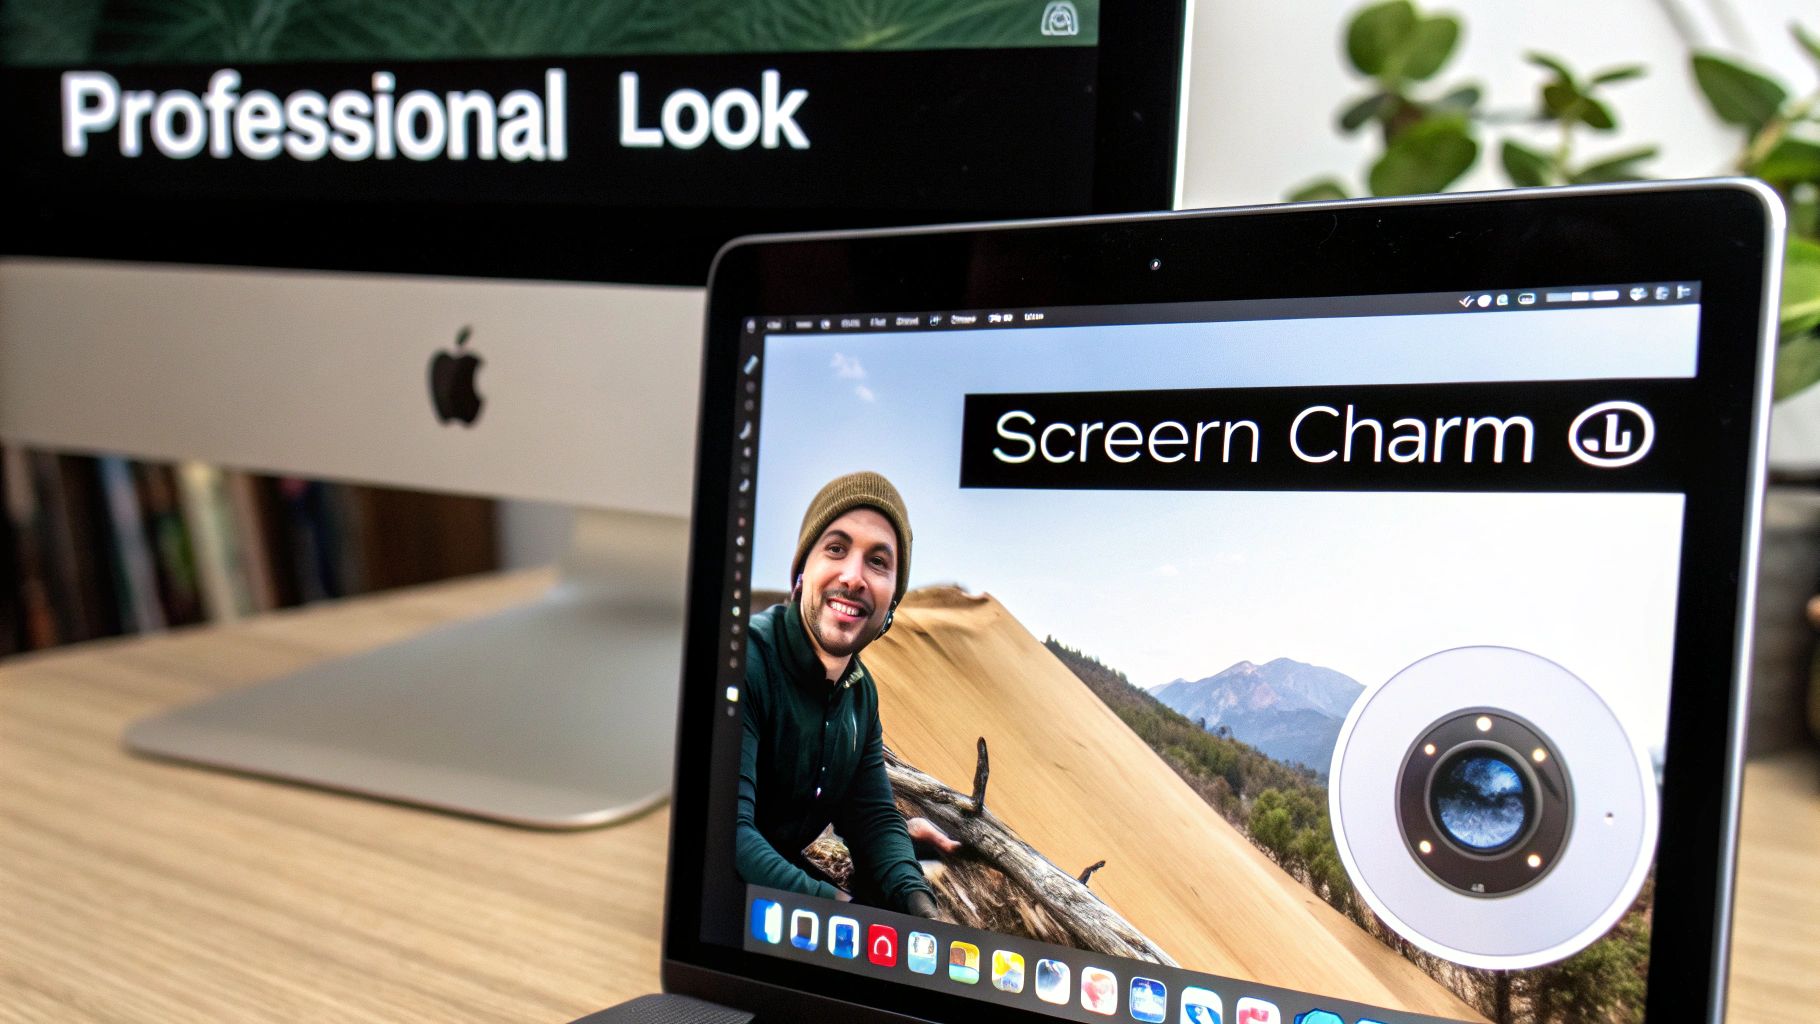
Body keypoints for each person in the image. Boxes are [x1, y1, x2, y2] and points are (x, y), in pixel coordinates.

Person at [735, 471, 950, 917]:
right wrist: (837, 907)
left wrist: (920, 904)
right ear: (801, 571)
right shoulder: (745, 662)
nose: (853, 577)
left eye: (878, 561)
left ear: (891, 601)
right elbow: (725, 830)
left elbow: (872, 817)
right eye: (836, 548)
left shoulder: (860, 695)